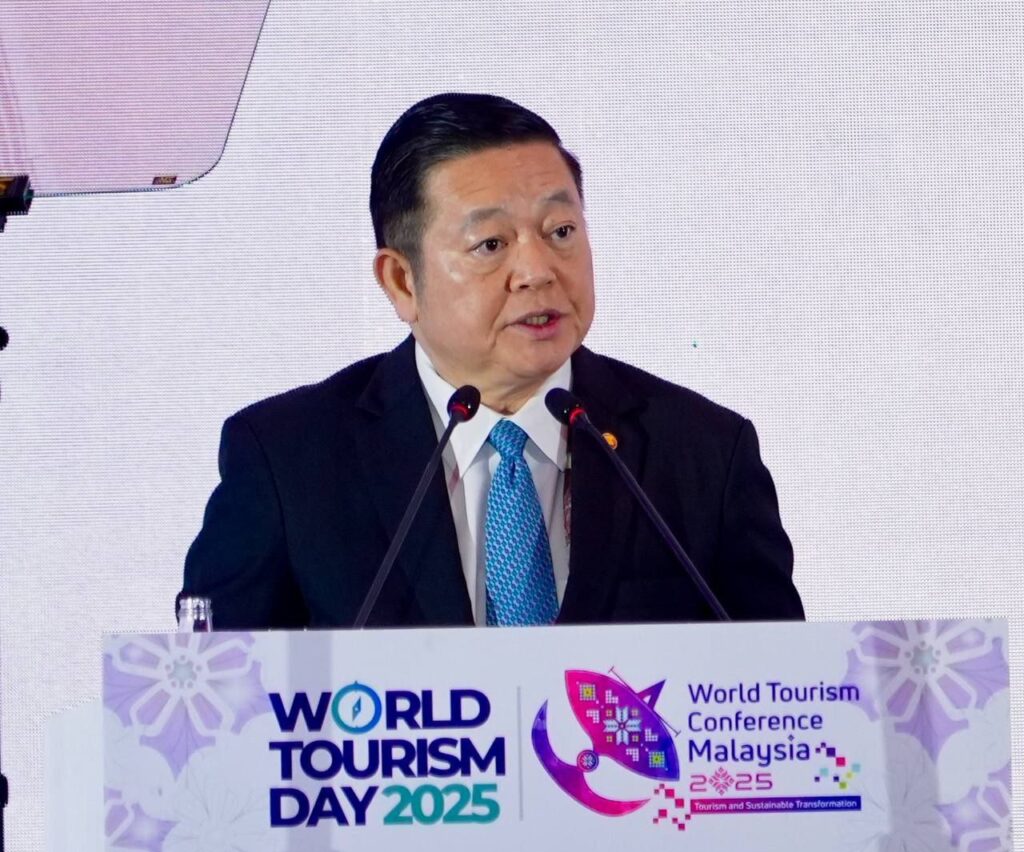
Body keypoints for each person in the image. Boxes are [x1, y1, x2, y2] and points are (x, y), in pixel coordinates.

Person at [181, 93, 803, 630]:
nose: (537, 271)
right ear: (402, 282)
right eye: (490, 244)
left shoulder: (702, 452)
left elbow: (782, 695)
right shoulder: (288, 461)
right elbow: (215, 706)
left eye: (561, 231)